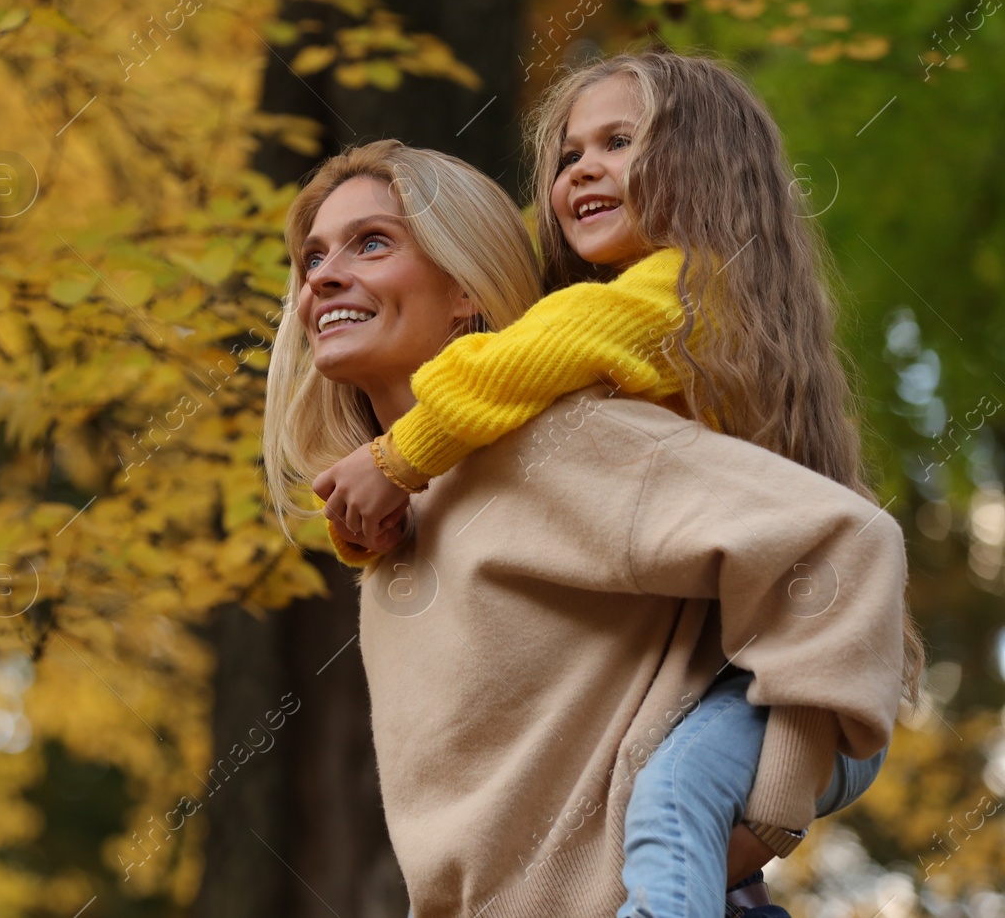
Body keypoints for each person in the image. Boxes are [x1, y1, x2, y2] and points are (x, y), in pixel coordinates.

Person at [305, 54, 922, 915]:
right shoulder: (453, 498)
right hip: (767, 699)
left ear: (464, 285)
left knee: (672, 800)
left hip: (774, 712)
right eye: (567, 156)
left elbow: (844, 540)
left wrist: (774, 808)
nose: (321, 276)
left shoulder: (603, 368)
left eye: (371, 243)